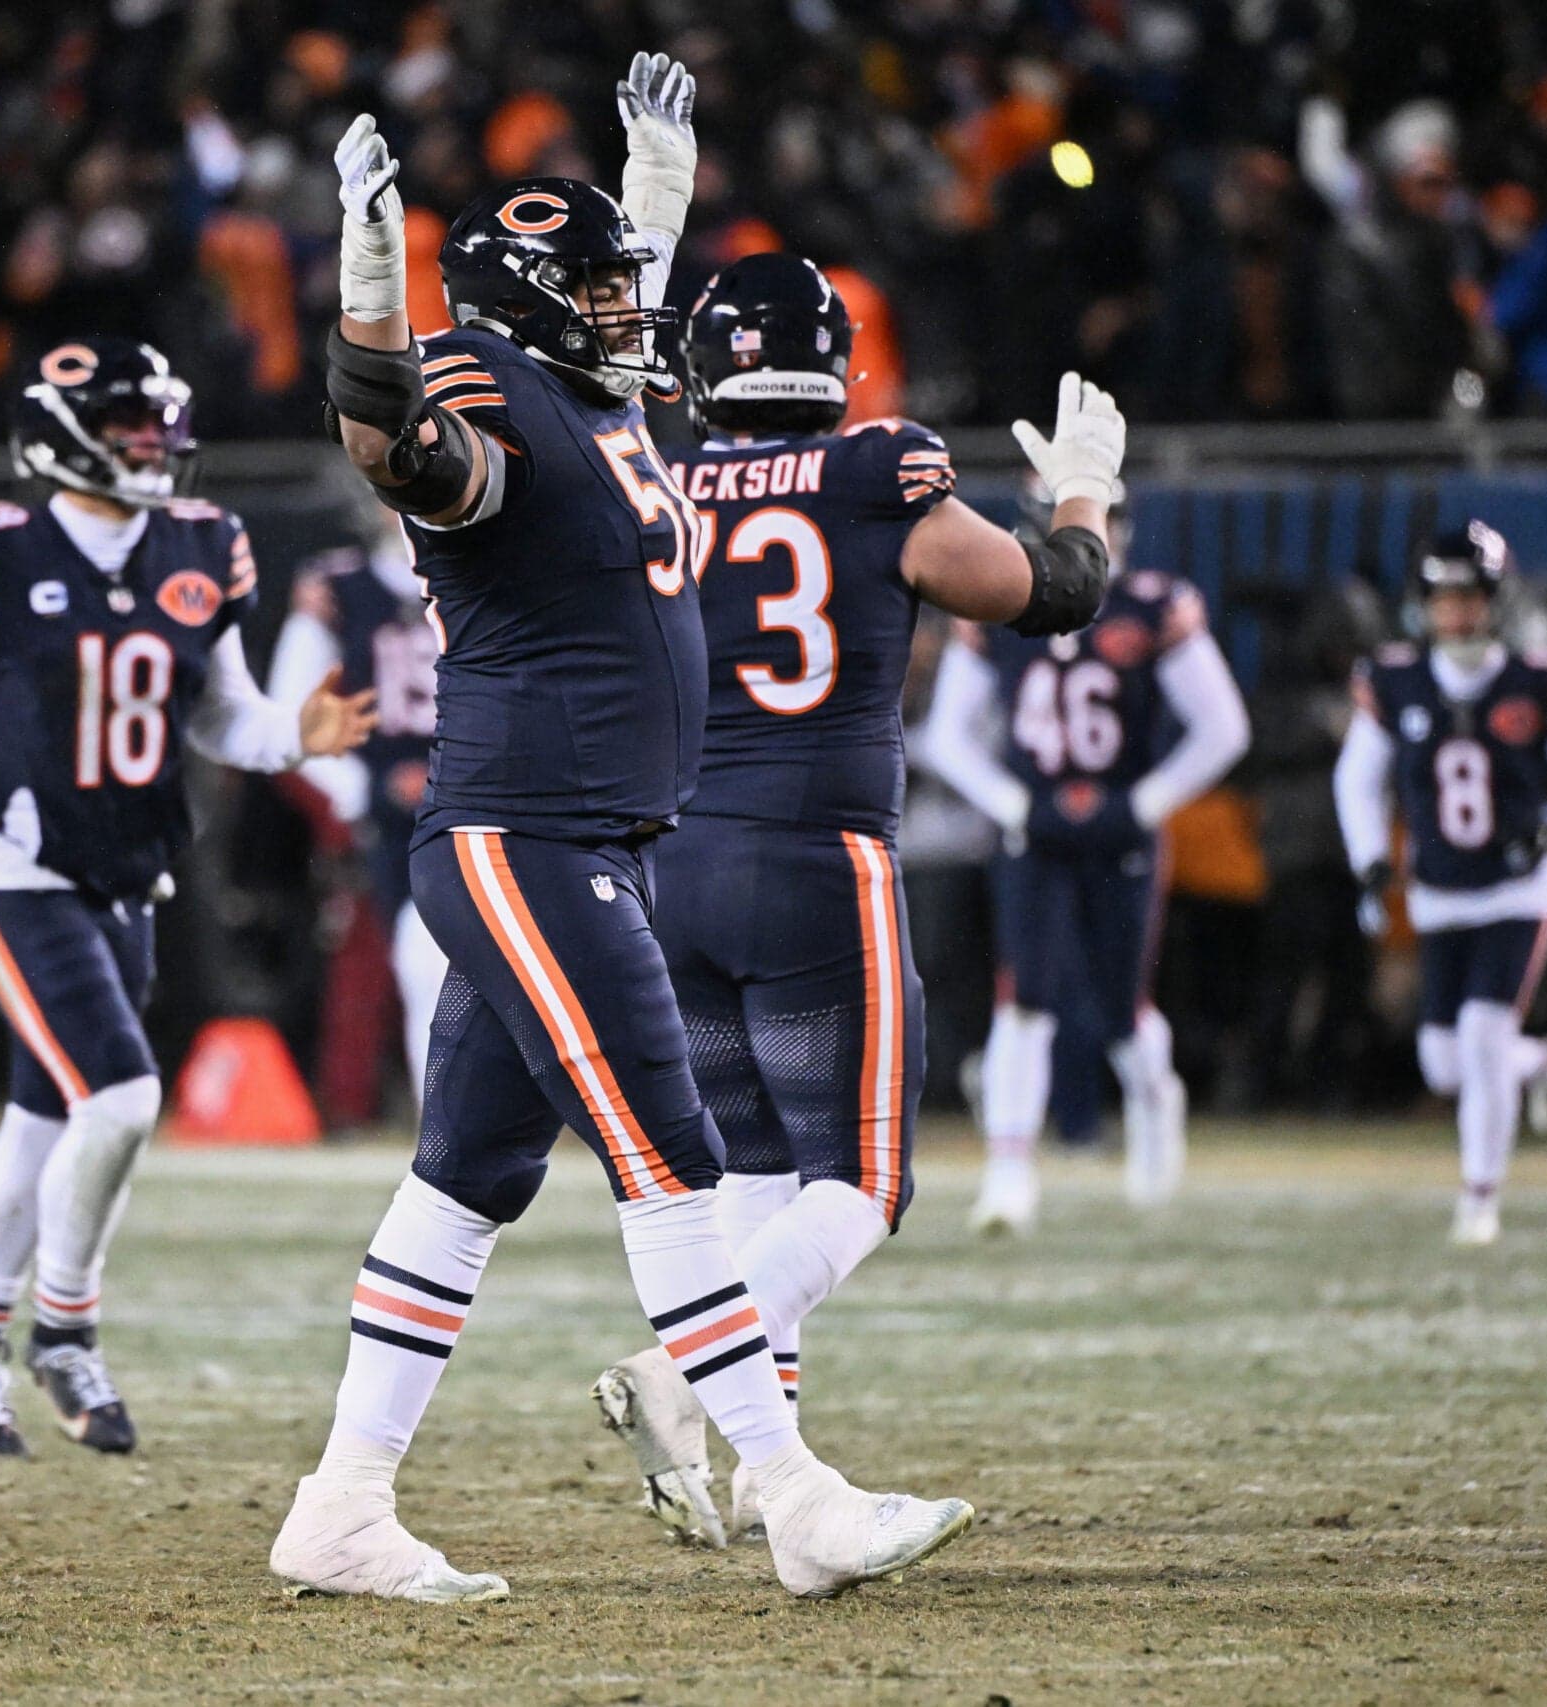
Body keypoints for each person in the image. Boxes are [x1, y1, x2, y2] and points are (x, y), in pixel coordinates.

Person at [270, 55, 1112, 1605]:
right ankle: (795, 1496)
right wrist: (370, 291)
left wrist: (651, 191)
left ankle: (340, 1504)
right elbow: (402, 444)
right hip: (529, 836)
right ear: (524, 308)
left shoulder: (597, 397)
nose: (625, 308)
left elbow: (598, 337)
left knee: (467, 1170)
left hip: (606, 839)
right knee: (670, 1156)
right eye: (590, 289)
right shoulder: (484, 394)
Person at [585, 251, 1125, 1548]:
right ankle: (676, 1372)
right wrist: (1085, 492)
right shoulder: (880, 471)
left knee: (754, 1171)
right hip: (817, 862)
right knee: (865, 1180)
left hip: (670, 867)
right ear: (833, 362)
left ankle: (782, 1498)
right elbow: (1052, 594)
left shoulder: (652, 479)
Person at [0, 338, 375, 1457]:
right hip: (14, 872)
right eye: (128, 421)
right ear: (61, 431)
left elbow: (221, 715)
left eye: (156, 421)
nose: (151, 442)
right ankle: (66, 1330)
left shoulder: (201, 541)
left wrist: (296, 735)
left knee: (46, 1120)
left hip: (131, 875)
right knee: (124, 1099)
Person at [928, 485, 1252, 1233]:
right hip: (1035, 830)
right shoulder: (1002, 608)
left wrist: (1143, 802)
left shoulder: (1149, 606)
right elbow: (950, 733)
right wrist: (1015, 806)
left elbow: (1222, 726)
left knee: (1120, 1005)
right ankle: (1009, 1173)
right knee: (1025, 995)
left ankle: (1152, 1101)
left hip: (1119, 829)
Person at [1332, 522, 1547, 1246]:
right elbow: (1357, 778)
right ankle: (1541, 1059)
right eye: (1444, 597)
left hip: (1518, 887)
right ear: (1422, 603)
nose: (1457, 613)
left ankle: (1479, 1199)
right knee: (1443, 1061)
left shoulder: (1538, 679)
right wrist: (1371, 859)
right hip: (1439, 888)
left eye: (1470, 597)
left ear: (1496, 601)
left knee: (1480, 1031)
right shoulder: (1395, 679)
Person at [266, 517, 444, 1108]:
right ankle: (438, 1130)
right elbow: (293, 714)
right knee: (417, 968)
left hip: (486, 800)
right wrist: (360, 791)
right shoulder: (340, 587)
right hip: (389, 822)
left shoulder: (496, 565)